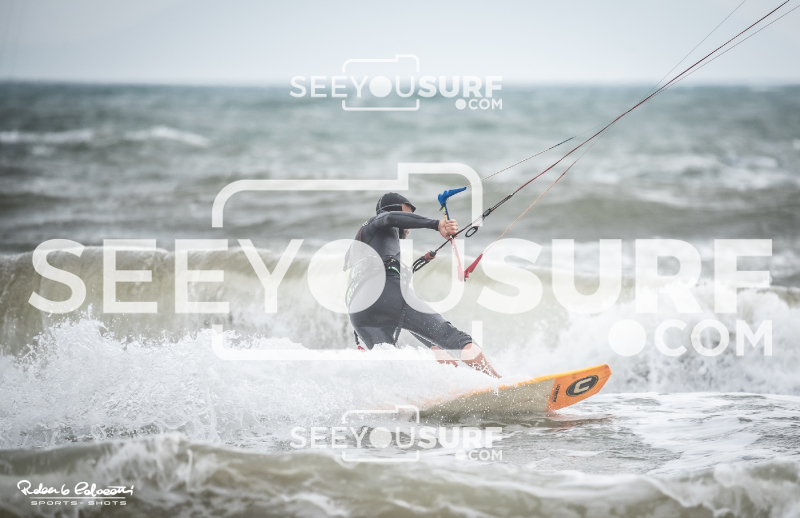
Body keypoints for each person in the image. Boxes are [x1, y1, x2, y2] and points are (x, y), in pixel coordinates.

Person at [345, 192, 500, 378]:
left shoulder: (358, 245)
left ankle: (399, 395)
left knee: (389, 365)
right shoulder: (380, 220)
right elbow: (389, 217)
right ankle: (498, 383)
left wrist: (433, 345)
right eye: (407, 215)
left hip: (359, 313)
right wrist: (437, 224)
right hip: (385, 288)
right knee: (452, 337)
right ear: (397, 210)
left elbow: (401, 312)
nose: (409, 225)